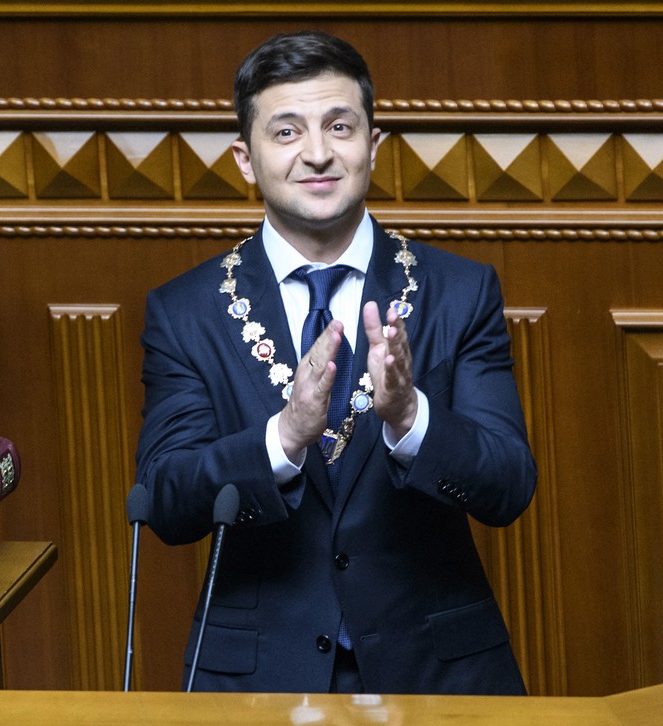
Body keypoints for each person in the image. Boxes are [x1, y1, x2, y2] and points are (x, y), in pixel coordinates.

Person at [134, 30, 537, 695]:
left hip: (440, 677)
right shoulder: (186, 311)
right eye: (286, 132)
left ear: (373, 145)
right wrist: (283, 437)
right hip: (256, 680)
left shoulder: (460, 292)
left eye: (340, 126)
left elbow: (509, 487)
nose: (317, 153)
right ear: (245, 158)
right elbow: (168, 501)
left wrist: (410, 418)